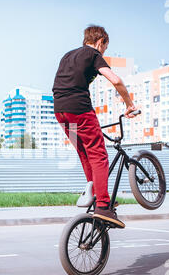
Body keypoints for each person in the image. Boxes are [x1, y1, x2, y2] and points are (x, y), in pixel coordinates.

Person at [52, 25, 138, 228]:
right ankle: (103, 206)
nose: (103, 53)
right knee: (99, 155)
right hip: (79, 109)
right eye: (105, 49)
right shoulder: (93, 53)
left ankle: (98, 194)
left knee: (85, 152)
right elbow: (115, 80)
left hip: (60, 111)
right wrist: (129, 104)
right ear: (101, 42)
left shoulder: (67, 55)